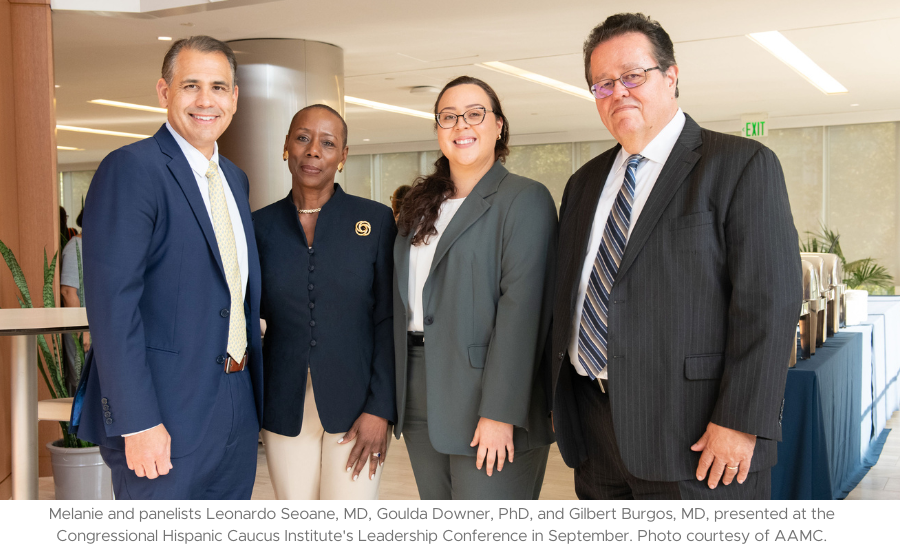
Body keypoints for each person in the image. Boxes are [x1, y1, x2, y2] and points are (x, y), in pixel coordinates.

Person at [550, 13, 802, 500]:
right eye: (602, 84)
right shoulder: (583, 184)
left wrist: (740, 421)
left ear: (672, 75)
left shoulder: (741, 165)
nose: (618, 91)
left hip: (698, 436)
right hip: (595, 431)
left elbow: (769, 304)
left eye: (632, 75)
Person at [71, 36, 263, 500]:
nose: (206, 100)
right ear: (164, 92)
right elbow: (113, 309)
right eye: (190, 85)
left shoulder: (234, 179)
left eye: (219, 87)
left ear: (234, 98)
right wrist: (138, 422)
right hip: (163, 413)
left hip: (236, 400)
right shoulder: (132, 170)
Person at [393, 76, 556, 499]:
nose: (461, 125)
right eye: (448, 117)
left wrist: (500, 413)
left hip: (488, 396)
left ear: (498, 125)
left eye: (474, 114)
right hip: (418, 388)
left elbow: (523, 313)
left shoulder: (524, 199)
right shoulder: (419, 205)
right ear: (437, 130)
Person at [253, 104, 396, 499]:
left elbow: (387, 320)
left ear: (343, 156)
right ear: (286, 147)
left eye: (328, 143)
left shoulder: (376, 221)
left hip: (357, 410)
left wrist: (380, 409)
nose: (313, 151)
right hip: (284, 405)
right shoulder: (259, 227)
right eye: (303, 138)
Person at [60, 208, 86, 394]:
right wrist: (82, 332)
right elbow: (68, 293)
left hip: (92, 329)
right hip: (82, 332)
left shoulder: (93, 247)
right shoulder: (75, 247)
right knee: (80, 385)